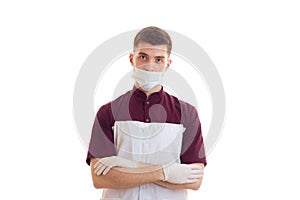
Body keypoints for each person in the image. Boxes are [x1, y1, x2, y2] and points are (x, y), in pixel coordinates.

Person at [86, 26, 207, 200]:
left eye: (159, 59)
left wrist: (127, 167)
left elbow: (195, 180)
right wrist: (167, 172)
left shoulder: (187, 114)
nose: (150, 66)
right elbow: (100, 178)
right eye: (143, 57)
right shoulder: (108, 113)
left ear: (168, 64)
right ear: (132, 59)